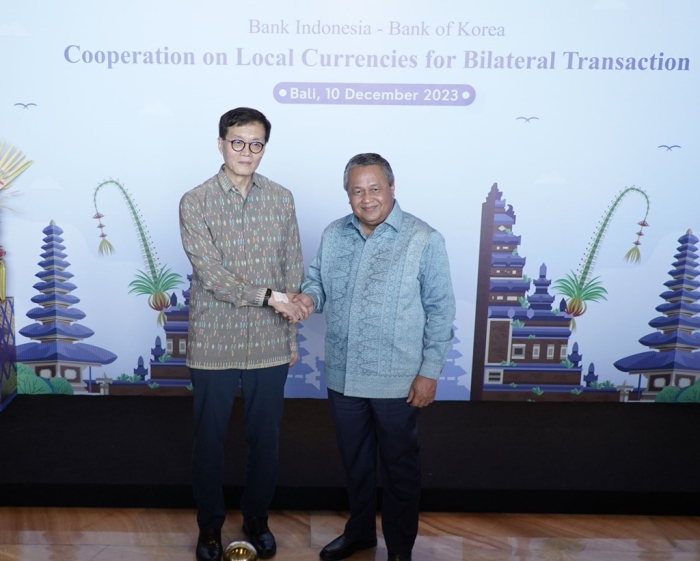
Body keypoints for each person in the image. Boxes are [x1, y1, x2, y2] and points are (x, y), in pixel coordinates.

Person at [294, 153, 456, 561]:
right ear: (348, 194)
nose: (366, 198)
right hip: (344, 377)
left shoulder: (424, 239)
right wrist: (305, 299)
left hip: (399, 380)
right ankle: (360, 533)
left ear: (392, 189)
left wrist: (429, 372)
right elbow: (317, 283)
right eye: (357, 190)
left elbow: (441, 310)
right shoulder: (335, 233)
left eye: (374, 188)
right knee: (356, 465)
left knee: (401, 470)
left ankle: (400, 550)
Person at [179, 107, 307, 561]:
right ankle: (210, 526)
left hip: (271, 341)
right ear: (221, 144)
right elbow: (211, 275)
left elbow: (293, 266)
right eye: (238, 142)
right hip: (214, 341)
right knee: (209, 440)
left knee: (265, 440)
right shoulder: (195, 201)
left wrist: (291, 336)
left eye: (256, 144)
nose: (246, 151)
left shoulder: (282, 197)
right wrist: (270, 295)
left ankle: (257, 518)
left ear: (264, 148)